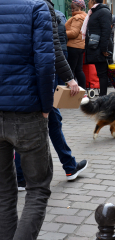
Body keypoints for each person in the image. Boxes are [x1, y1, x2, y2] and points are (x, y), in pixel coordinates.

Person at [16, 0, 88, 192]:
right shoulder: (42, 6)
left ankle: (21, 178)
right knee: (52, 120)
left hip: (15, 78)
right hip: (40, 77)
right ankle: (68, 167)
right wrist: (70, 78)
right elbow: (53, 46)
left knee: (19, 124)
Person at [0, 0, 55, 238]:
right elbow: (45, 62)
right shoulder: (36, 7)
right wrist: (45, 106)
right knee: (38, 188)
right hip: (27, 111)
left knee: (3, 191)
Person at [82, 0, 112, 96]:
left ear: (93, 1)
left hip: (100, 48)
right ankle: (102, 97)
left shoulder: (103, 12)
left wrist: (104, 49)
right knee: (100, 73)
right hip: (95, 47)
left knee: (102, 73)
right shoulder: (94, 12)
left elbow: (106, 31)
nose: (88, 3)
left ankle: (103, 97)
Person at [65, 0, 87, 89]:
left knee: (70, 72)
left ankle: (70, 93)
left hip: (73, 46)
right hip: (80, 46)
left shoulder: (77, 18)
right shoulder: (85, 17)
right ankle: (83, 92)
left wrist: (62, 32)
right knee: (78, 70)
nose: (72, 10)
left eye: (74, 8)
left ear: (80, 7)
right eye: (72, 8)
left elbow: (74, 33)